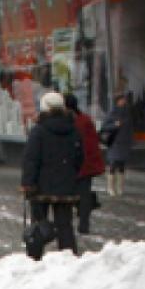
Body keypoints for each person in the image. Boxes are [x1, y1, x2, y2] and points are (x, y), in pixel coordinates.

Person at [21, 91, 84, 260]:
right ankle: (69, 258)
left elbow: (31, 159)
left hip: (41, 186)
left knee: (38, 225)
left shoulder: (39, 131)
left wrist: (28, 183)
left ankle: (35, 259)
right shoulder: (73, 129)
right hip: (66, 186)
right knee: (65, 226)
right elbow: (79, 157)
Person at [65, 93, 104, 235]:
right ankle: (83, 224)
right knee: (84, 195)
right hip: (85, 165)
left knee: (79, 195)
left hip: (78, 165)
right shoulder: (85, 120)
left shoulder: (77, 122)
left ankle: (81, 223)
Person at [102, 93, 135, 196]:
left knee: (121, 165)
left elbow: (131, 128)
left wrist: (131, 140)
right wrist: (114, 125)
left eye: (124, 100)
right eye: (121, 100)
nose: (123, 102)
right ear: (117, 101)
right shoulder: (112, 112)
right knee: (113, 163)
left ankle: (120, 187)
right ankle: (110, 187)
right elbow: (104, 127)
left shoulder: (127, 112)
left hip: (125, 141)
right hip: (115, 142)